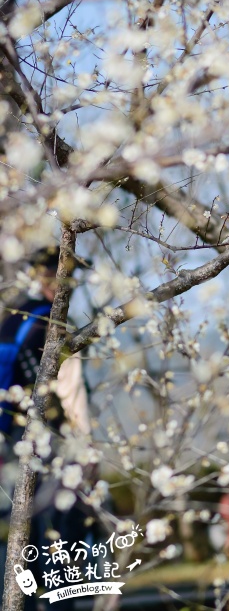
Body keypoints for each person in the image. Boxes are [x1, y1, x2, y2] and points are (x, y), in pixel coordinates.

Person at [0, 247, 90, 610]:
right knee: (66, 523)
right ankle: (58, 603)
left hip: (11, 438)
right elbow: (71, 391)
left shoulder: (11, 318)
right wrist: (85, 447)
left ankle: (21, 598)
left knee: (23, 526)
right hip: (53, 437)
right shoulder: (55, 326)